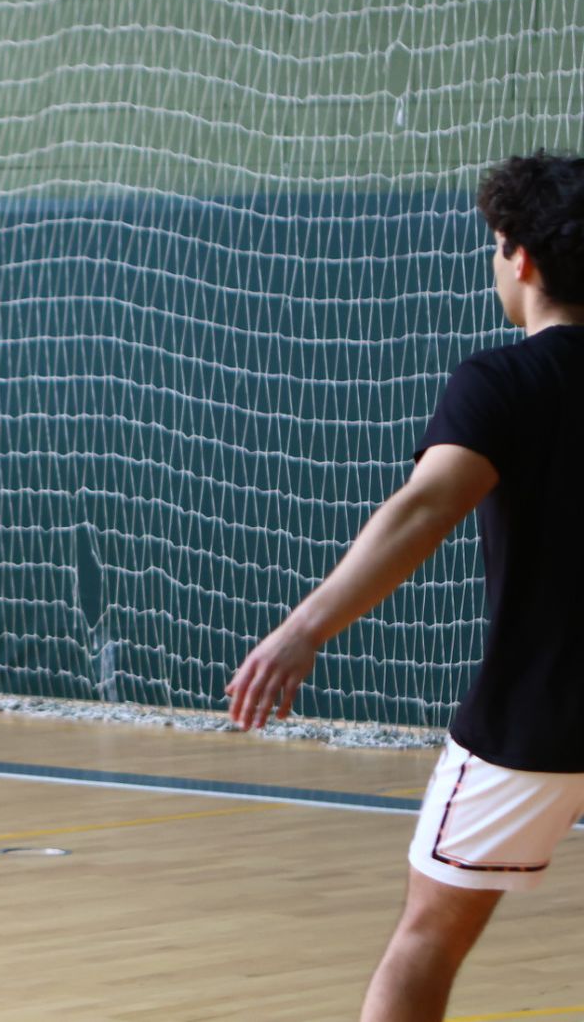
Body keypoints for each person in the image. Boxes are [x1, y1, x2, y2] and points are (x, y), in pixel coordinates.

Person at [227, 150, 584, 1022]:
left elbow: (425, 507)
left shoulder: (504, 382)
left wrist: (303, 629)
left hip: (537, 721)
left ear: (520, 257)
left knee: (428, 937)